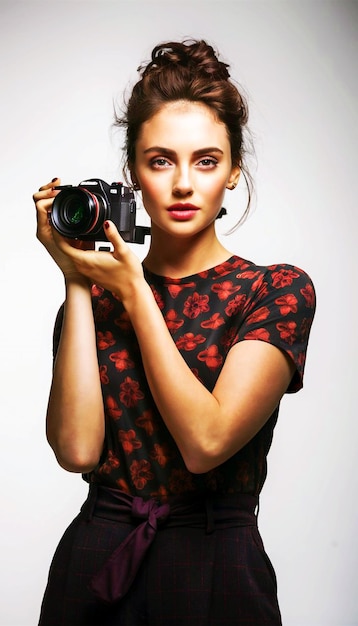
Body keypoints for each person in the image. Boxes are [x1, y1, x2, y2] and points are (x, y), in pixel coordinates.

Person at [33, 39, 316, 626]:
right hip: (97, 562)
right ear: (132, 172)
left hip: (217, 566)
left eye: (206, 161)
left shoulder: (276, 291)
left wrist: (135, 294)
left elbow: (206, 443)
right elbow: (77, 450)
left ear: (234, 170)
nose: (183, 183)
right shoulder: (98, 300)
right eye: (161, 160)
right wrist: (78, 281)